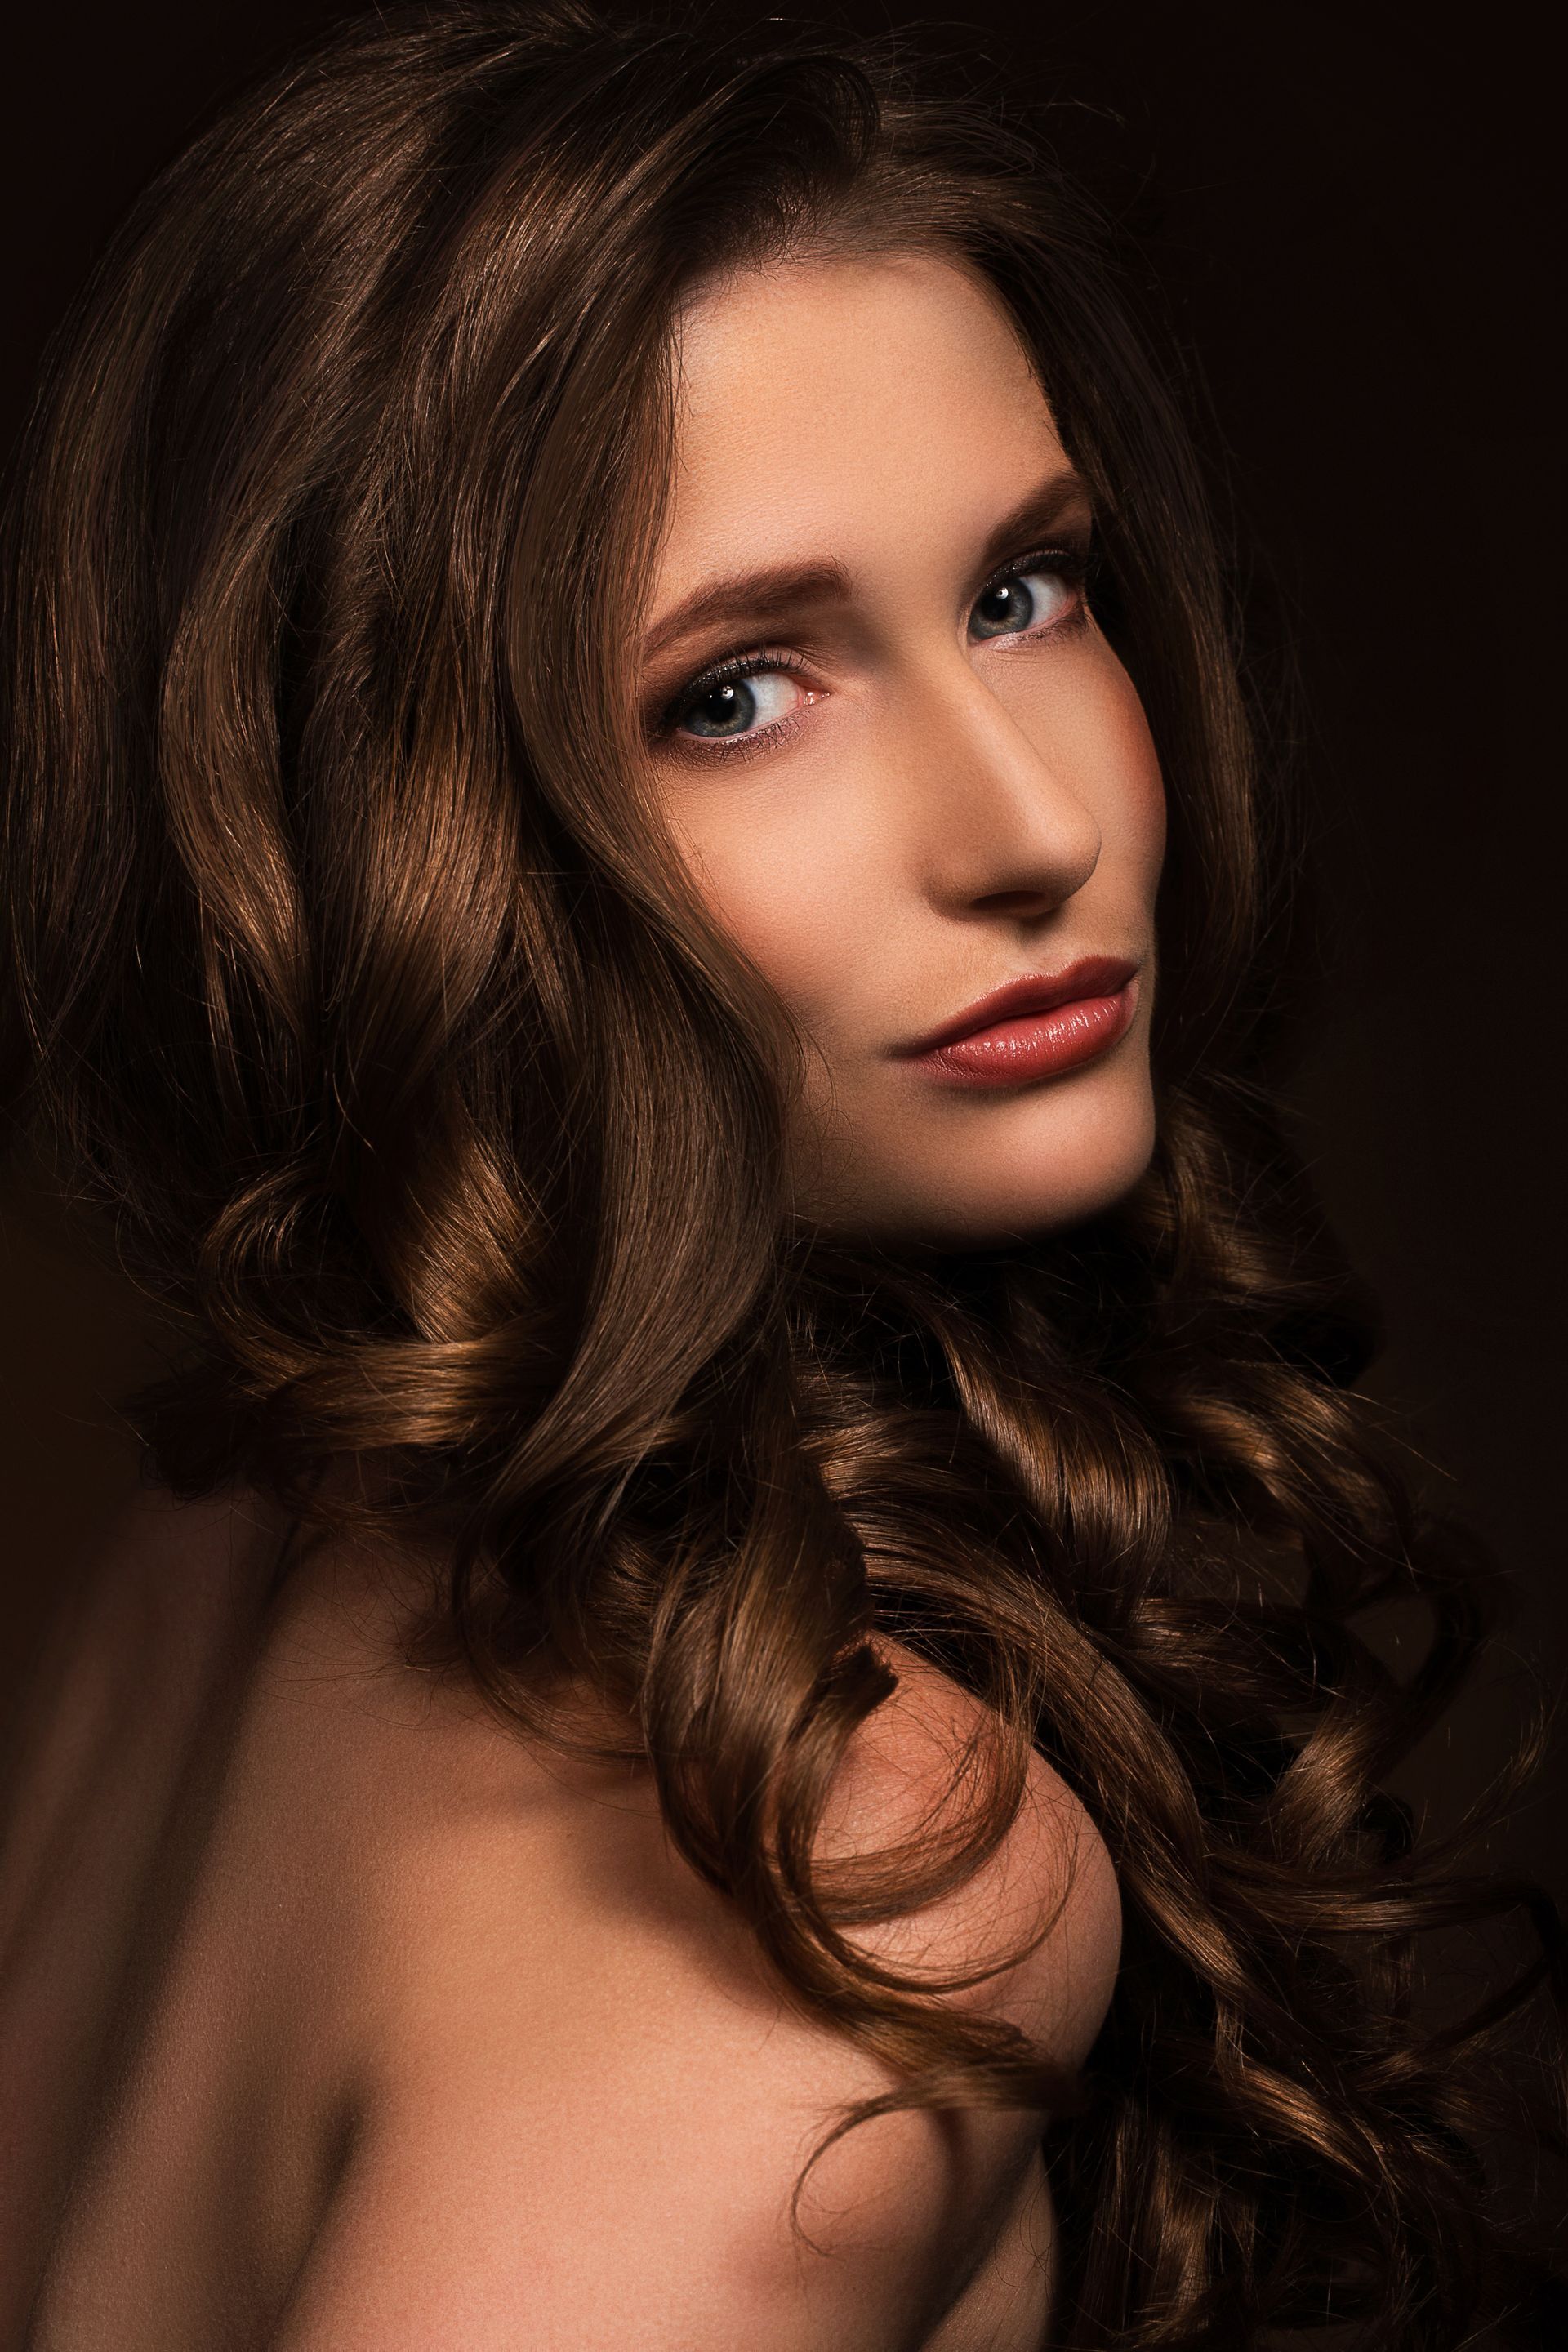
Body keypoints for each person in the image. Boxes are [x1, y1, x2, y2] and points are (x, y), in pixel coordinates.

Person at [0, 3, 1560, 2345]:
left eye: (1025, 589)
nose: (1035, 831)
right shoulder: (860, 1894)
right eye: (736, 691)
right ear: (391, 837)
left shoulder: (237, 1528)